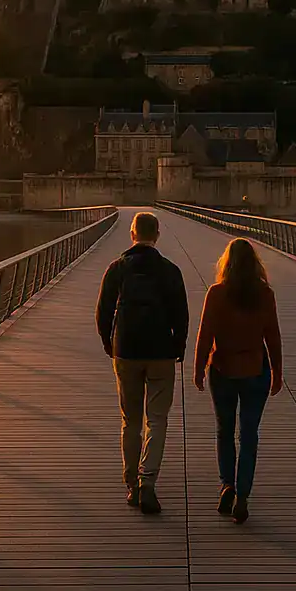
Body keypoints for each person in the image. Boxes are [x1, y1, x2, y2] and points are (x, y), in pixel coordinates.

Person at [96, 212, 189, 515]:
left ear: (132, 233)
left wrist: (108, 343)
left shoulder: (117, 268)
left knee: (130, 420)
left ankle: (131, 482)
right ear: (157, 235)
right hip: (161, 352)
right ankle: (148, 480)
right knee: (157, 420)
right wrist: (179, 346)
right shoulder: (170, 270)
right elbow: (181, 315)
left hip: (127, 351)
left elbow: (103, 312)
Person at [193, 237, 283, 525]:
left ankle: (227, 485)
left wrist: (198, 368)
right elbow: (273, 335)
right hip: (255, 369)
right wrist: (278, 372)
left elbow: (205, 334)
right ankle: (243, 495)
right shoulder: (265, 294)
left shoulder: (217, 293)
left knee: (224, 430)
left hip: (223, 370)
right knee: (249, 434)